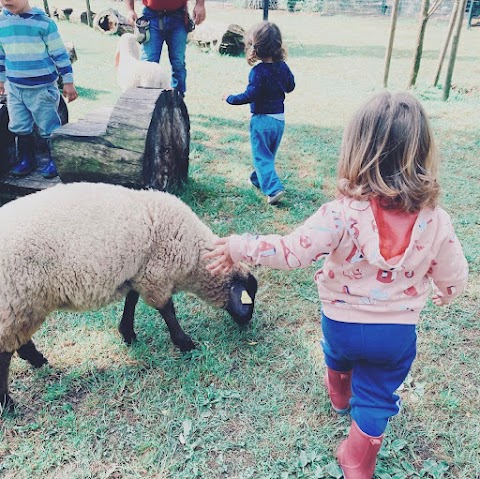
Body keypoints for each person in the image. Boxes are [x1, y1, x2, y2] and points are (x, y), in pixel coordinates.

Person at [205, 91, 469, 479]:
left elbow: (290, 251)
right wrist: (450, 291)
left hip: (341, 324)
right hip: (395, 334)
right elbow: (454, 273)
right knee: (378, 395)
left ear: (356, 151)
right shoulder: (437, 221)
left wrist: (239, 245)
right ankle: (359, 461)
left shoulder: (340, 214)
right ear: (423, 153)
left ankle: (339, 391)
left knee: (339, 353)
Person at [0, 0, 77, 179]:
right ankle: (27, 158)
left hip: (41, 89)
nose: (6, 0)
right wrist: (2, 79)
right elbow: (1, 54)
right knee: (19, 125)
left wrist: (68, 81)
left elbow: (60, 55)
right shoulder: (2, 23)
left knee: (48, 125)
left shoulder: (44, 23)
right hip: (14, 88)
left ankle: (54, 158)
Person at [223, 21, 295, 205]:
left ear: (254, 47)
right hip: (279, 121)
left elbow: (250, 95)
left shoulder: (257, 72)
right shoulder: (283, 67)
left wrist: (230, 98)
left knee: (262, 155)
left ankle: (273, 189)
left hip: (261, 121)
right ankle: (257, 179)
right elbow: (290, 87)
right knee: (266, 155)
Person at [125, 0, 206, 96]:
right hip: (151, 17)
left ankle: (177, 102)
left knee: (178, 63)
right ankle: (145, 102)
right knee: (148, 64)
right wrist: (130, 10)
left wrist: (200, 4)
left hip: (178, 17)